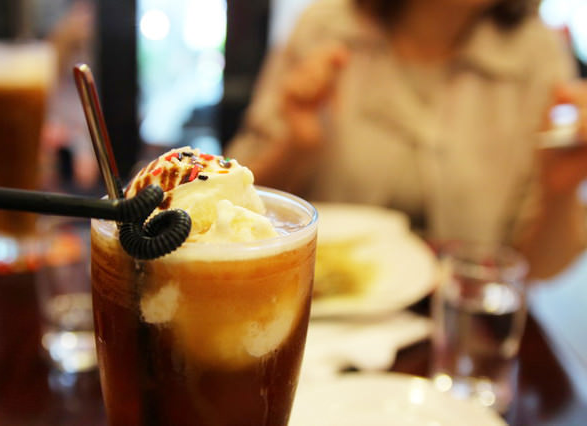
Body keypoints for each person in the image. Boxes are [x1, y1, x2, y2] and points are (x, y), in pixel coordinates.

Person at [226, 0, 587, 279]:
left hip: (463, 327)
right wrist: (296, 146)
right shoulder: (326, 28)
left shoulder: (539, 54)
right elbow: (230, 211)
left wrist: (560, 191)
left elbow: (537, 270)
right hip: (322, 316)